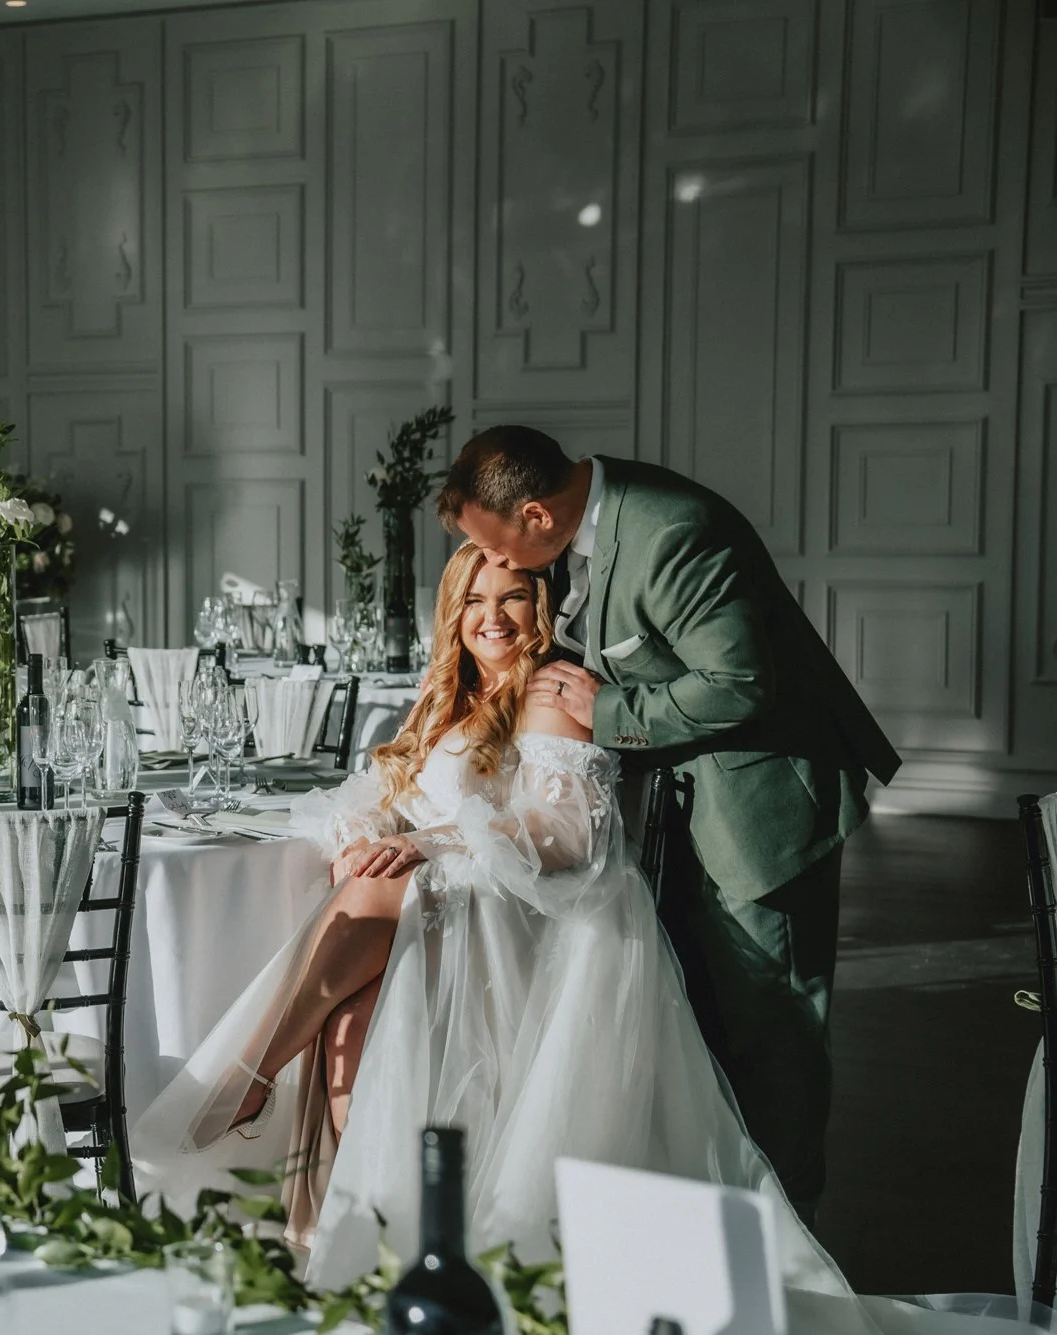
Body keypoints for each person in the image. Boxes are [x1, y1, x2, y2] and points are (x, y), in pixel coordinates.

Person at [132, 543, 858, 1307]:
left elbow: (566, 830)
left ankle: (246, 1078)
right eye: (475, 601)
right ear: (454, 612)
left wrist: (427, 844)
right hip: (445, 904)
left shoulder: (548, 693)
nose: (492, 618)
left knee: (370, 899)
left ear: (539, 607)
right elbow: (382, 794)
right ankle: (379, 1239)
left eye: (511, 598)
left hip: (525, 916)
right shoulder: (449, 695)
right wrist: (365, 834)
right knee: (349, 1021)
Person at [435, 426, 899, 1225]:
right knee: (708, 1024)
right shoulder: (593, 517)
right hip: (682, 812)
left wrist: (609, 709)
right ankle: (717, 1231)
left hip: (758, 809)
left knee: (773, 1028)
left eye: (495, 544)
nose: (500, 565)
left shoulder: (672, 530)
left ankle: (791, 1247)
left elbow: (742, 681)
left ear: (538, 515)